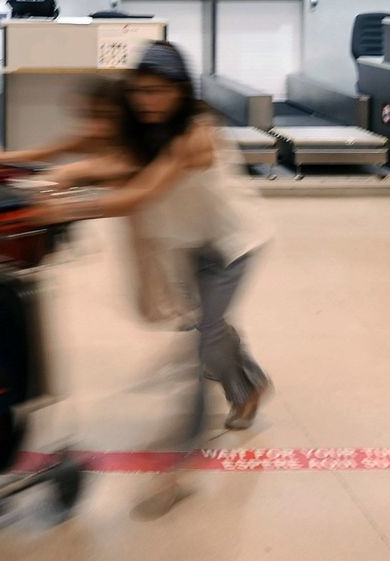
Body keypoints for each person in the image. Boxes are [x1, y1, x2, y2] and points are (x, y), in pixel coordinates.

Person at [44, 42, 272, 516]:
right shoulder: (146, 130)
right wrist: (63, 175)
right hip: (188, 250)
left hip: (233, 246)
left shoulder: (197, 132)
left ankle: (182, 464)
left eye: (158, 91)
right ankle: (249, 384)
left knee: (199, 345)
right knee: (209, 332)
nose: (148, 101)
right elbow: (113, 163)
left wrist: (69, 201)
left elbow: (143, 188)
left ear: (180, 90)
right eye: (141, 92)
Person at [0, 79, 186, 325]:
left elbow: (112, 170)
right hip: (134, 217)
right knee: (143, 266)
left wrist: (63, 184)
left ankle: (177, 310)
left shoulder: (142, 143)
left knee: (160, 264)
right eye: (91, 116)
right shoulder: (94, 137)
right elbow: (45, 153)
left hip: (167, 216)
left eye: (106, 116)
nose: (97, 126)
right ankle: (162, 311)